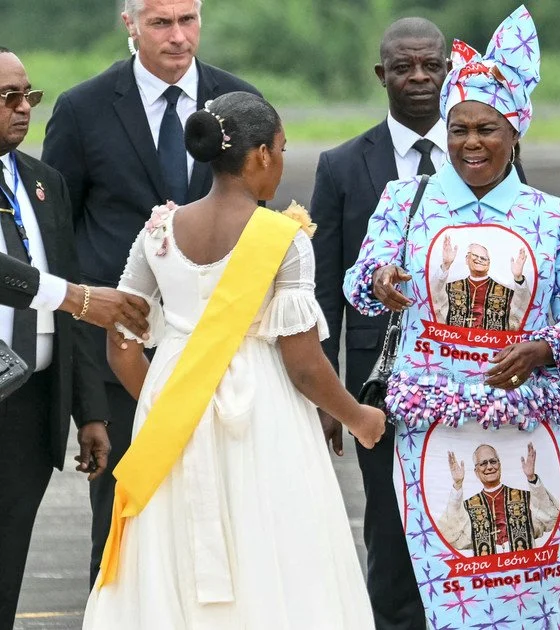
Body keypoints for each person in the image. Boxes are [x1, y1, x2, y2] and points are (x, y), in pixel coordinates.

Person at [81, 91, 383, 628]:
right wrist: (358, 417)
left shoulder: (158, 231)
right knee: (270, 537)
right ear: (261, 155)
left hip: (174, 404)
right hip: (261, 408)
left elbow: (122, 341)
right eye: (282, 149)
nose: (282, 162)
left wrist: (167, 400)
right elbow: (304, 364)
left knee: (172, 543)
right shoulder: (282, 238)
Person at [344, 6, 560, 627]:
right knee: (446, 572)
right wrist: (381, 279)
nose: (471, 143)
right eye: (459, 129)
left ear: (515, 133)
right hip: (435, 426)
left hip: (527, 420)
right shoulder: (405, 199)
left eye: (487, 129)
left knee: (528, 573)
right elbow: (358, 286)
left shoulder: (550, 216)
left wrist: (544, 349)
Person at [41, 0, 259, 583]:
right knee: (123, 518)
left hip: (218, 356)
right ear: (129, 24)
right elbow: (60, 240)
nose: (178, 36)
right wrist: (83, 376)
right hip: (119, 356)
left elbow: (257, 227)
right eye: (161, 22)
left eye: (188, 20)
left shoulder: (240, 102)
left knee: (224, 522)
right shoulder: (82, 110)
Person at [309, 17, 448, 627]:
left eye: (431, 66)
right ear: (380, 74)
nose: (418, 79)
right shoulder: (341, 166)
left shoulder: (491, 150)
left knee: (462, 524)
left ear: (449, 69)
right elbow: (321, 288)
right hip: (377, 387)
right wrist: (328, 397)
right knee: (390, 534)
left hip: (468, 379)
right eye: (403, 67)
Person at [0, 47, 145, 630]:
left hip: (29, 400)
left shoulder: (43, 183)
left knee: (10, 555)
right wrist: (76, 297)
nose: (23, 109)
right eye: (8, 98)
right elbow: (63, 293)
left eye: (28, 96)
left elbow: (70, 301)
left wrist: (89, 412)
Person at [436, 443, 560, 555]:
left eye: (493, 461)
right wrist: (458, 485)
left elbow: (550, 519)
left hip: (524, 570)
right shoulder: (468, 507)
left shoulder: (525, 498)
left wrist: (532, 478)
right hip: (488, 575)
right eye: (483, 463)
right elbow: (450, 536)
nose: (489, 467)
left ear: (499, 466)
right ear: (476, 472)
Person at [430, 239, 533, 330]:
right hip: (454, 346)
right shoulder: (450, 287)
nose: (479, 260)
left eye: (484, 258)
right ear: (467, 259)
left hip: (491, 346)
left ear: (489, 263)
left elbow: (521, 310)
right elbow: (433, 299)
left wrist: (518, 278)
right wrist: (446, 265)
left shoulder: (505, 292)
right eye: (475, 256)